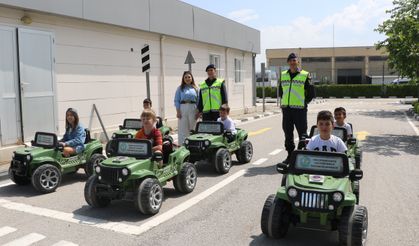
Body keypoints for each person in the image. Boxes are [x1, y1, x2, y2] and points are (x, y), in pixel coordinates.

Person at [279, 53, 315, 163]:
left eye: (294, 60)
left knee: (302, 134)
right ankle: (290, 155)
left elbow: (311, 93)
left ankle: (301, 154)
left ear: (297, 62)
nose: (293, 62)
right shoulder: (283, 74)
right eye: (290, 60)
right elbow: (281, 92)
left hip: (300, 109)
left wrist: (304, 102)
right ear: (288, 62)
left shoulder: (305, 75)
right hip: (287, 110)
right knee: (288, 133)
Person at [174, 71, 199, 145]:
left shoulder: (196, 88)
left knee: (193, 127)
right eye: (185, 77)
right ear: (183, 79)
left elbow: (198, 100)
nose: (187, 79)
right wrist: (178, 111)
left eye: (189, 77)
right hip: (183, 108)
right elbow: (176, 100)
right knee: (183, 128)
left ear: (192, 78)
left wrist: (198, 112)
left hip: (193, 108)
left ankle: (193, 144)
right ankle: (182, 145)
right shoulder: (180, 88)